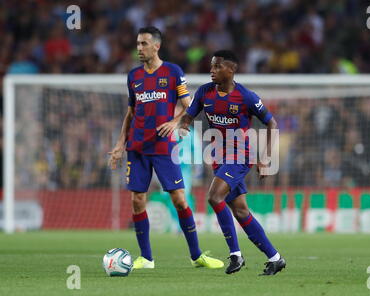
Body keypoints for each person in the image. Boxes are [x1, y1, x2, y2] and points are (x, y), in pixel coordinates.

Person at [108, 26, 223, 270]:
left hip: (163, 147)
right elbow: (131, 112)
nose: (139, 48)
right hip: (137, 147)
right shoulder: (133, 76)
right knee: (137, 200)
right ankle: (146, 258)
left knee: (180, 200)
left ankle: (196, 256)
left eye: (144, 44)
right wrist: (120, 144)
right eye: (138, 44)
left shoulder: (173, 72)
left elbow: (189, 105)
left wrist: (173, 122)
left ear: (156, 46)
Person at [178, 50, 286, 276]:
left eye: (217, 66)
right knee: (241, 211)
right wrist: (184, 124)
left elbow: (272, 123)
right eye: (211, 66)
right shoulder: (205, 92)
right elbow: (189, 114)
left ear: (231, 70)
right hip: (219, 157)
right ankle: (275, 258)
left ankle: (236, 255)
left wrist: (265, 159)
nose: (212, 70)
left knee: (213, 196)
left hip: (240, 155)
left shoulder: (246, 96)